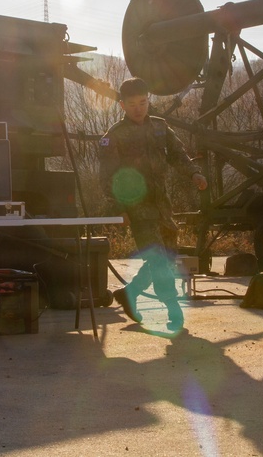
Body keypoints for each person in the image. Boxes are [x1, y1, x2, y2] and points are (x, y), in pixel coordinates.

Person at [98, 77, 207, 334]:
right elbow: (107, 178)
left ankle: (131, 292)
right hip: (137, 207)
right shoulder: (113, 136)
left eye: (143, 103)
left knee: (167, 257)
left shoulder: (160, 128)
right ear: (123, 105)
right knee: (158, 260)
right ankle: (173, 310)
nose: (139, 108)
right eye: (133, 104)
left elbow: (178, 155)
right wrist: (119, 209)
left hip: (162, 205)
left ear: (149, 101)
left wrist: (194, 174)